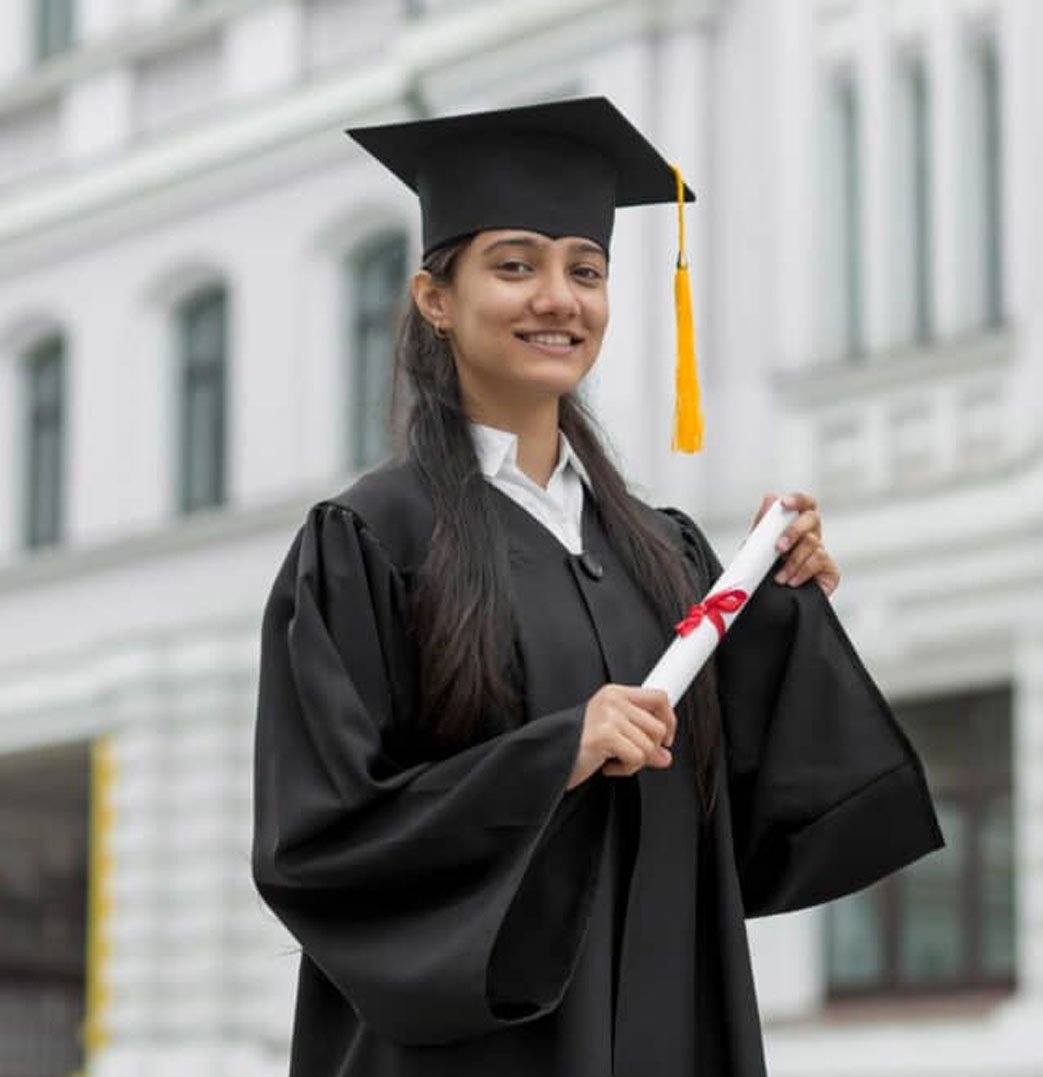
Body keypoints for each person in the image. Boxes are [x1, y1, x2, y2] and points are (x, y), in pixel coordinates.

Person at [251, 96, 942, 1077]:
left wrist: (779, 605)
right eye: (514, 264)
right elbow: (316, 841)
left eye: (585, 270)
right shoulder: (370, 540)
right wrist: (553, 755)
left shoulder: (661, 552)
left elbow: (753, 817)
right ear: (433, 297)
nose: (557, 298)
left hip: (661, 1026)